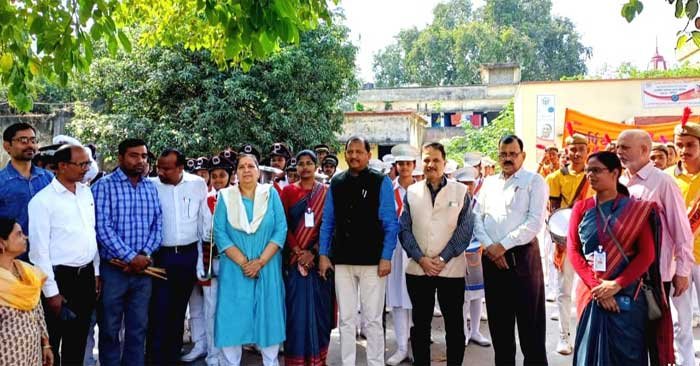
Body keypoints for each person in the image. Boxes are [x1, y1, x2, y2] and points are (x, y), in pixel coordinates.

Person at [567, 151, 665, 365]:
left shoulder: (635, 210)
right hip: (591, 292)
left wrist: (616, 285)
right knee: (589, 354)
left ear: (614, 173)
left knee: (627, 354)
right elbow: (573, 251)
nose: (590, 175)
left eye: (596, 170)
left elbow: (646, 255)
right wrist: (599, 289)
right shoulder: (582, 208)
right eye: (588, 171)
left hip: (628, 294)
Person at [318, 135, 399, 366]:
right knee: (346, 319)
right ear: (345, 154)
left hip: (373, 261)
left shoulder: (380, 181)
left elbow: (390, 223)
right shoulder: (337, 182)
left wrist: (386, 257)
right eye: (350, 151)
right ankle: (348, 362)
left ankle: (375, 362)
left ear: (368, 155)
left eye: (358, 152)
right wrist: (324, 254)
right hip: (342, 260)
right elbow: (328, 222)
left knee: (373, 320)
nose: (354, 155)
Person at [617, 129, 693, 366]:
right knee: (631, 336)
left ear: (644, 150)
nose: (619, 152)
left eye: (625, 147)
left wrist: (682, 271)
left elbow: (681, 230)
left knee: (656, 335)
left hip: (656, 274)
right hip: (625, 273)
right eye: (618, 147)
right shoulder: (618, 181)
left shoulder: (663, 182)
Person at [473, 134, 549, 366]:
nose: (507, 158)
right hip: (492, 261)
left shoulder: (534, 181)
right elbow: (477, 217)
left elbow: (534, 222)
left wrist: (502, 246)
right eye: (503, 154)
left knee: (531, 327)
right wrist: (489, 247)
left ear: (522, 156)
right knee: (499, 325)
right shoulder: (489, 182)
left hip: (522, 260)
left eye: (512, 154)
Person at [399, 142, 474, 366]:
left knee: (453, 326)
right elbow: (404, 229)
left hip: (450, 270)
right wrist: (421, 259)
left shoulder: (460, 192)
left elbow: (465, 229)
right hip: (418, 269)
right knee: (420, 326)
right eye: (427, 160)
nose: (431, 164)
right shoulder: (411, 192)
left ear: (444, 162)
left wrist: (442, 259)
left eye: (436, 160)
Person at [92, 138, 164, 366]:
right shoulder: (103, 186)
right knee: (109, 329)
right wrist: (131, 257)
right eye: (134, 155)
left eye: (144, 156)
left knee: (138, 328)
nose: (141, 161)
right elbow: (102, 227)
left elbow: (158, 225)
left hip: (144, 270)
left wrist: (144, 255)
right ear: (120, 157)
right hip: (114, 270)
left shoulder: (150, 187)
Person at [212, 152, 287, 366]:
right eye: (242, 166)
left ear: (257, 170)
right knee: (232, 316)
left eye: (250, 166)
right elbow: (220, 233)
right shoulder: (225, 197)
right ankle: (230, 362)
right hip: (236, 268)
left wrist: (260, 262)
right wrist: (245, 263)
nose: (246, 170)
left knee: (269, 315)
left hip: (267, 265)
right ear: (236, 172)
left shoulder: (270, 194)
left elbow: (280, 229)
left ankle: (270, 362)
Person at [27, 145, 99, 365]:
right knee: (52, 342)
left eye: (88, 163)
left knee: (77, 341)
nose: (87, 169)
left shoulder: (85, 192)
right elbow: (39, 252)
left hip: (85, 276)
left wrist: (95, 272)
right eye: (82, 164)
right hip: (59, 279)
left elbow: (91, 233)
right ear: (62, 166)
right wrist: (51, 293)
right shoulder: (42, 201)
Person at [147, 148, 211, 365]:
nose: (161, 172)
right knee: (158, 310)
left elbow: (204, 221)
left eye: (167, 168)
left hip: (188, 255)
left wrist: (203, 258)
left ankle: (172, 357)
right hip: (161, 256)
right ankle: (156, 359)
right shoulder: (152, 185)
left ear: (180, 167)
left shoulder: (197, 184)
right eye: (159, 168)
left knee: (178, 310)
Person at [280, 150, 334, 366]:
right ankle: (296, 360)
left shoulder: (326, 193)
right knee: (296, 315)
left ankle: (318, 359)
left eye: (309, 163)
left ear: (316, 166)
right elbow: (282, 225)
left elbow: (329, 227)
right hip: (294, 263)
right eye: (300, 164)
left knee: (321, 314)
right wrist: (297, 251)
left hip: (318, 261)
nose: (304, 167)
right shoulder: (288, 192)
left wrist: (313, 252)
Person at [184, 153, 235, 365]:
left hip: (233, 263)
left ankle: (230, 355)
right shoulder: (206, 200)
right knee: (211, 309)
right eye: (214, 176)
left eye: (222, 175)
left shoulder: (238, 199)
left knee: (230, 310)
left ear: (230, 176)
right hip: (209, 260)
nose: (217, 180)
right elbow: (198, 234)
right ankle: (213, 355)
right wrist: (199, 265)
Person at [544, 133, 593, 355]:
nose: (576, 153)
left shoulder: (596, 175)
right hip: (567, 240)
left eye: (580, 149)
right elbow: (553, 212)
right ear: (567, 151)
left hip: (592, 241)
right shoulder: (555, 177)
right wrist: (560, 236)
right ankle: (564, 336)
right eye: (572, 149)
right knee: (564, 290)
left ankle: (590, 334)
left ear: (587, 151)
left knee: (592, 290)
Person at [0, 217, 53, 366]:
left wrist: (46, 344)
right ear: (1, 243)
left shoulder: (28, 272)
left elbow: (38, 313)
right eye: (18, 234)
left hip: (32, 353)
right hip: (6, 356)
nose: (25, 237)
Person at [668, 122, 700, 366]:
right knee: (680, 319)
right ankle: (685, 362)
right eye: (680, 145)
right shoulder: (667, 178)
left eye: (690, 145)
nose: (684, 149)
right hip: (679, 260)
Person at [0, 122, 53, 260]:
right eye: (23, 141)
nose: (30, 145)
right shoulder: (2, 181)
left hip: (48, 254)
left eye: (33, 141)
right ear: (7, 146)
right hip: (14, 257)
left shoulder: (48, 178)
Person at [385, 144, 417, 365]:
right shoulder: (388, 189)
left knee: (417, 299)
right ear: (396, 166)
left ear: (414, 166)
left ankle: (416, 344)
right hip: (395, 249)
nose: (404, 167)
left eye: (408, 163)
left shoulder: (422, 189)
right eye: (401, 164)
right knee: (397, 298)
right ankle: (401, 347)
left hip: (417, 248)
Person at [454, 166, 491, 348]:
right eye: (463, 183)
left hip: (477, 255)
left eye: (470, 183)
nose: (467, 187)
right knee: (462, 298)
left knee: (477, 296)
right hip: (457, 256)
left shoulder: (480, 203)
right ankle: (463, 332)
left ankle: (475, 331)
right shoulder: (452, 203)